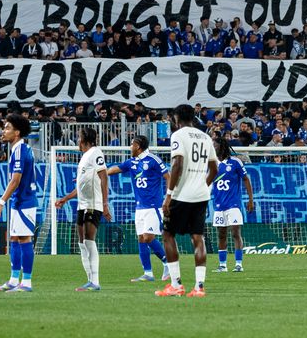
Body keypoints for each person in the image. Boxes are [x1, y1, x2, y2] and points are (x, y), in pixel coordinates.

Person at [156, 105, 218, 298]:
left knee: (168, 234)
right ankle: (199, 287)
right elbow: (214, 168)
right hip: (201, 195)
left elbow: (177, 165)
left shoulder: (178, 135)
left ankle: (176, 284)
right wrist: (203, 185)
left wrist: (168, 195)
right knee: (197, 237)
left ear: (176, 118)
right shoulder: (205, 137)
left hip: (181, 195)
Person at [107, 135, 170, 281]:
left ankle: (168, 263)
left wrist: (168, 198)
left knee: (148, 237)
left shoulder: (154, 160)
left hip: (153, 206)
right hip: (139, 207)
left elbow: (169, 177)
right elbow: (113, 169)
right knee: (141, 238)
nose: (130, 147)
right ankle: (148, 273)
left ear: (138, 146)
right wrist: (95, 174)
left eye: (132, 144)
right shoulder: (131, 162)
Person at [55, 127, 110, 291]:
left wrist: (105, 204)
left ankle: (95, 281)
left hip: (93, 204)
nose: (78, 141)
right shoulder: (84, 157)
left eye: (79, 137)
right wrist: (65, 198)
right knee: (81, 242)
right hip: (82, 204)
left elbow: (104, 176)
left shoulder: (95, 152)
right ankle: (89, 280)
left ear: (85, 139)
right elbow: (81, 185)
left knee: (88, 240)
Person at [0, 114, 38, 292]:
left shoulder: (19, 151)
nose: (4, 131)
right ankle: (13, 280)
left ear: (17, 133)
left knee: (24, 238)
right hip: (19, 201)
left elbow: (15, 180)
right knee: (14, 238)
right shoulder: (20, 149)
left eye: (8, 128)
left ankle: (26, 282)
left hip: (25, 201)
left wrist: (1, 202)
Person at [211, 136, 255, 273]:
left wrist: (251, 199)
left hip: (233, 204)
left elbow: (246, 179)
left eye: (214, 145)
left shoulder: (235, 162)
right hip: (218, 205)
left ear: (221, 146)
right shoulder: (211, 163)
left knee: (235, 233)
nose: (212, 148)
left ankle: (238, 264)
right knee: (221, 235)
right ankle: (222, 265)